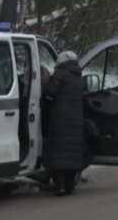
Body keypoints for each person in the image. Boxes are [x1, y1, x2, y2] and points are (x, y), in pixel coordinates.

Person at [44, 51, 85, 197]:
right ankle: (70, 186)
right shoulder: (78, 77)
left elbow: (51, 91)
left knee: (59, 152)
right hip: (76, 119)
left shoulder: (60, 75)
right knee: (72, 153)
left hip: (60, 118)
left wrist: (45, 84)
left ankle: (60, 186)